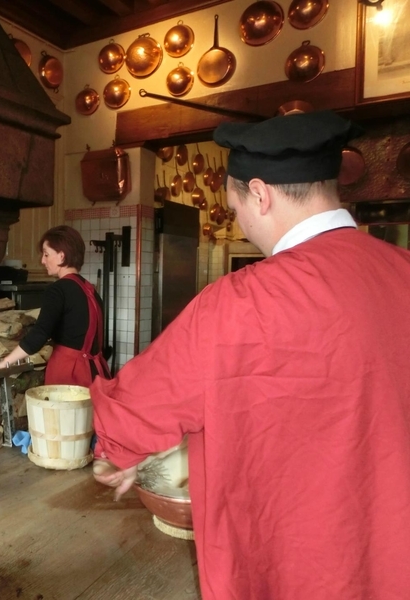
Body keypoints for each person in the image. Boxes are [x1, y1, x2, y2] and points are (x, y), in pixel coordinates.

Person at [90, 111, 410, 600]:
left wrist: (116, 452)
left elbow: (139, 405)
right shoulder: (403, 270)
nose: (240, 221)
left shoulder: (239, 302)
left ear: (260, 195)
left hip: (287, 568)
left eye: (236, 207)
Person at [0, 225, 109, 387]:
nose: (42, 261)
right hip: (96, 374)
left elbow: (39, 335)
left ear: (61, 256)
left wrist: (3, 364)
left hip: (70, 375)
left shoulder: (57, 290)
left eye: (46, 254)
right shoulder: (90, 290)